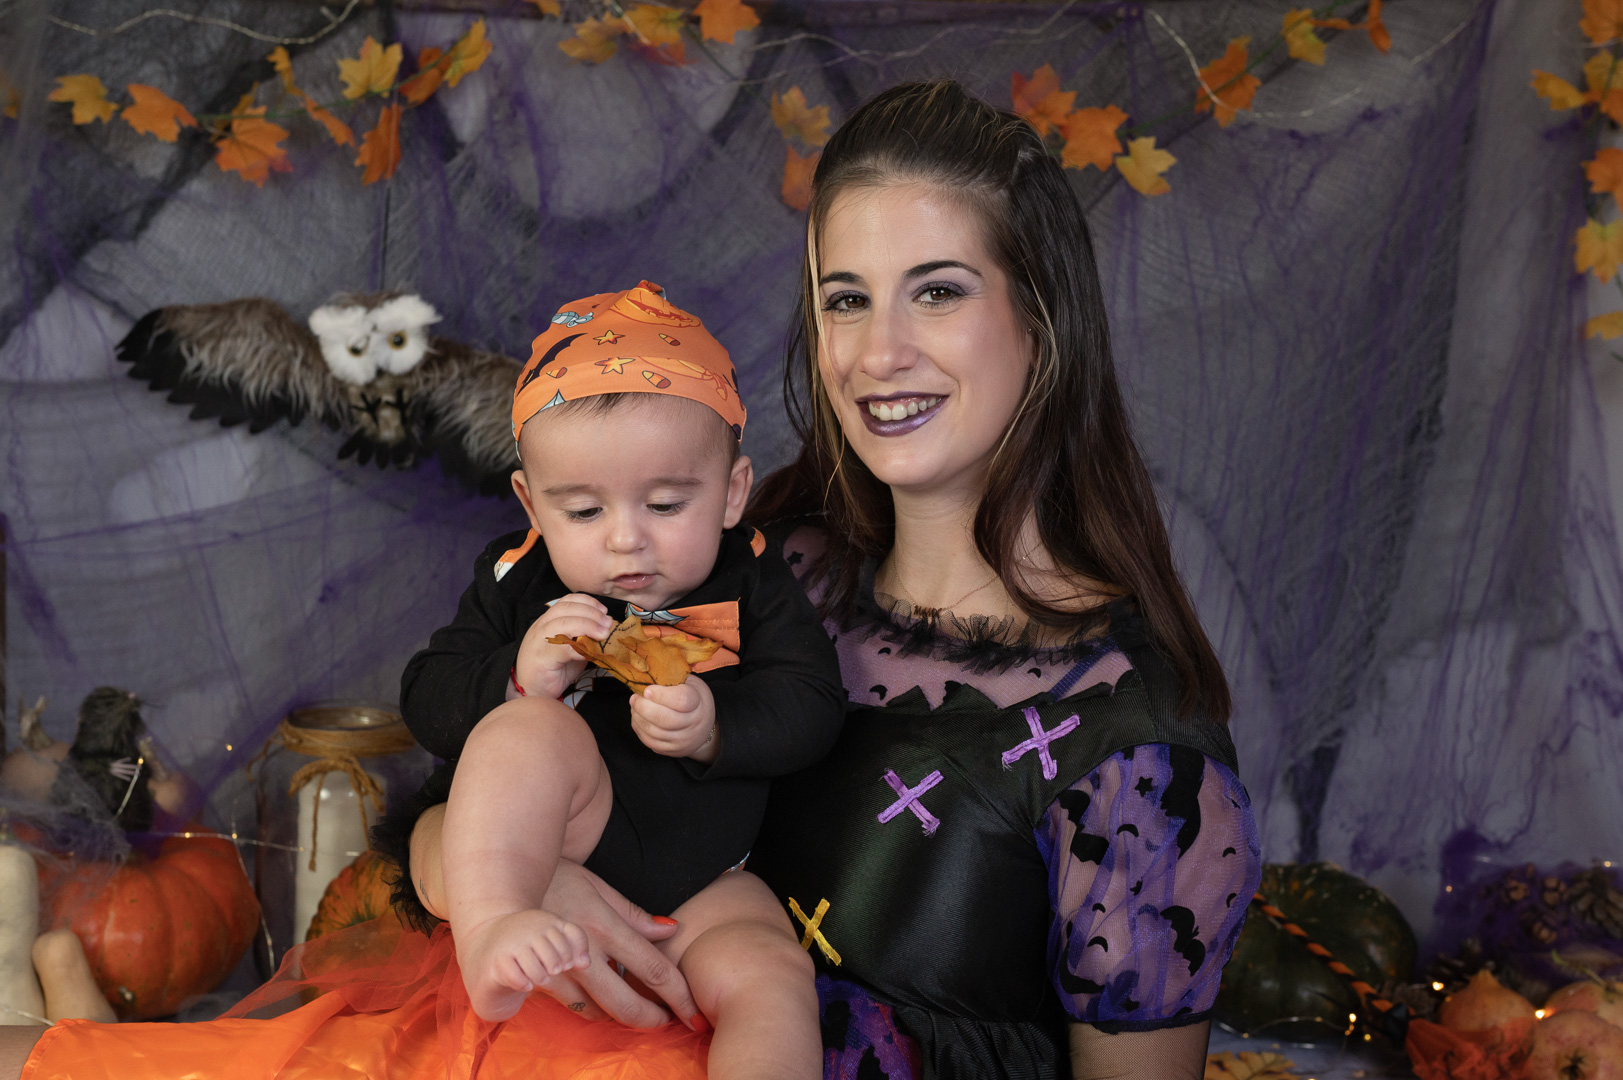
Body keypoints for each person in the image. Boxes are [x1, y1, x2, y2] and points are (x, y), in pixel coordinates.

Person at [2, 80, 1262, 1080]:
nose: (878, 351)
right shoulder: (752, 557)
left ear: (1042, 317)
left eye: (937, 292)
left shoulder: (1136, 748)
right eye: (844, 299)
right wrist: (505, 880)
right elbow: (475, 801)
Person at [387, 279, 844, 1077]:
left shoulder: (755, 581)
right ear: (532, 506)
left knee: (772, 974)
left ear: (732, 493)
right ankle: (494, 928)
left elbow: (813, 704)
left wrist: (715, 727)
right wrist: (516, 675)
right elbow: (426, 695)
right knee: (528, 728)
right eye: (583, 513)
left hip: (708, 875)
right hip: (558, 847)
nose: (625, 541)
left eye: (665, 505)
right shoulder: (517, 579)